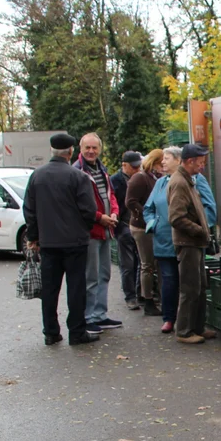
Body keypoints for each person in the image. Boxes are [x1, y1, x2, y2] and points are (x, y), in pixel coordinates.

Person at [22, 133, 100, 346]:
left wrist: (34, 236)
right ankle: (77, 332)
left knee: (50, 289)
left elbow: (29, 209)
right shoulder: (78, 177)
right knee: (76, 288)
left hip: (48, 243)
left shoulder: (37, 176)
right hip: (75, 243)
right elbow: (89, 210)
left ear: (51, 150)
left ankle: (50, 331)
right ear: (71, 152)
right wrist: (83, 230)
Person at [74, 133, 121, 334]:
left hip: (106, 229)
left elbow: (110, 196)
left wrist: (115, 213)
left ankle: (100, 315)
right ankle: (89, 317)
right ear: (81, 148)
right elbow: (79, 205)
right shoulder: (77, 172)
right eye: (88, 148)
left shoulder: (102, 170)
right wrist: (99, 217)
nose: (91, 151)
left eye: (94, 148)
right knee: (90, 277)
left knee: (104, 274)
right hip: (91, 231)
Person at [168, 143, 213, 344]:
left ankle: (197, 327)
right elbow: (176, 217)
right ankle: (184, 331)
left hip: (195, 242)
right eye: (200, 162)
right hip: (188, 243)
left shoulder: (189, 180)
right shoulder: (180, 182)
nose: (202, 166)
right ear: (189, 161)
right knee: (190, 287)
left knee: (200, 286)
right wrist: (200, 231)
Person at [144, 148, 182, 334]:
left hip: (186, 240)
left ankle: (188, 320)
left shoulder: (195, 180)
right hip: (164, 240)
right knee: (168, 281)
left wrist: (198, 228)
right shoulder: (159, 183)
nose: (163, 162)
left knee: (189, 282)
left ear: (178, 160)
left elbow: (208, 207)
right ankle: (169, 318)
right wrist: (154, 224)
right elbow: (148, 208)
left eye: (167, 159)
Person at [127, 149, 163, 317]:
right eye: (160, 163)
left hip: (152, 226)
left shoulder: (155, 178)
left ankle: (150, 296)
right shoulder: (140, 178)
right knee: (147, 264)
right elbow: (130, 201)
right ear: (154, 163)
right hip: (142, 228)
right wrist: (147, 215)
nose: (163, 166)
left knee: (152, 264)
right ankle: (147, 299)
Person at [111, 150, 142, 310]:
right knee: (128, 264)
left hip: (138, 226)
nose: (137, 169)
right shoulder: (115, 181)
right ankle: (130, 296)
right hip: (123, 226)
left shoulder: (139, 178)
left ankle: (138, 293)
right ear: (124, 165)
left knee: (140, 263)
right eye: (134, 167)